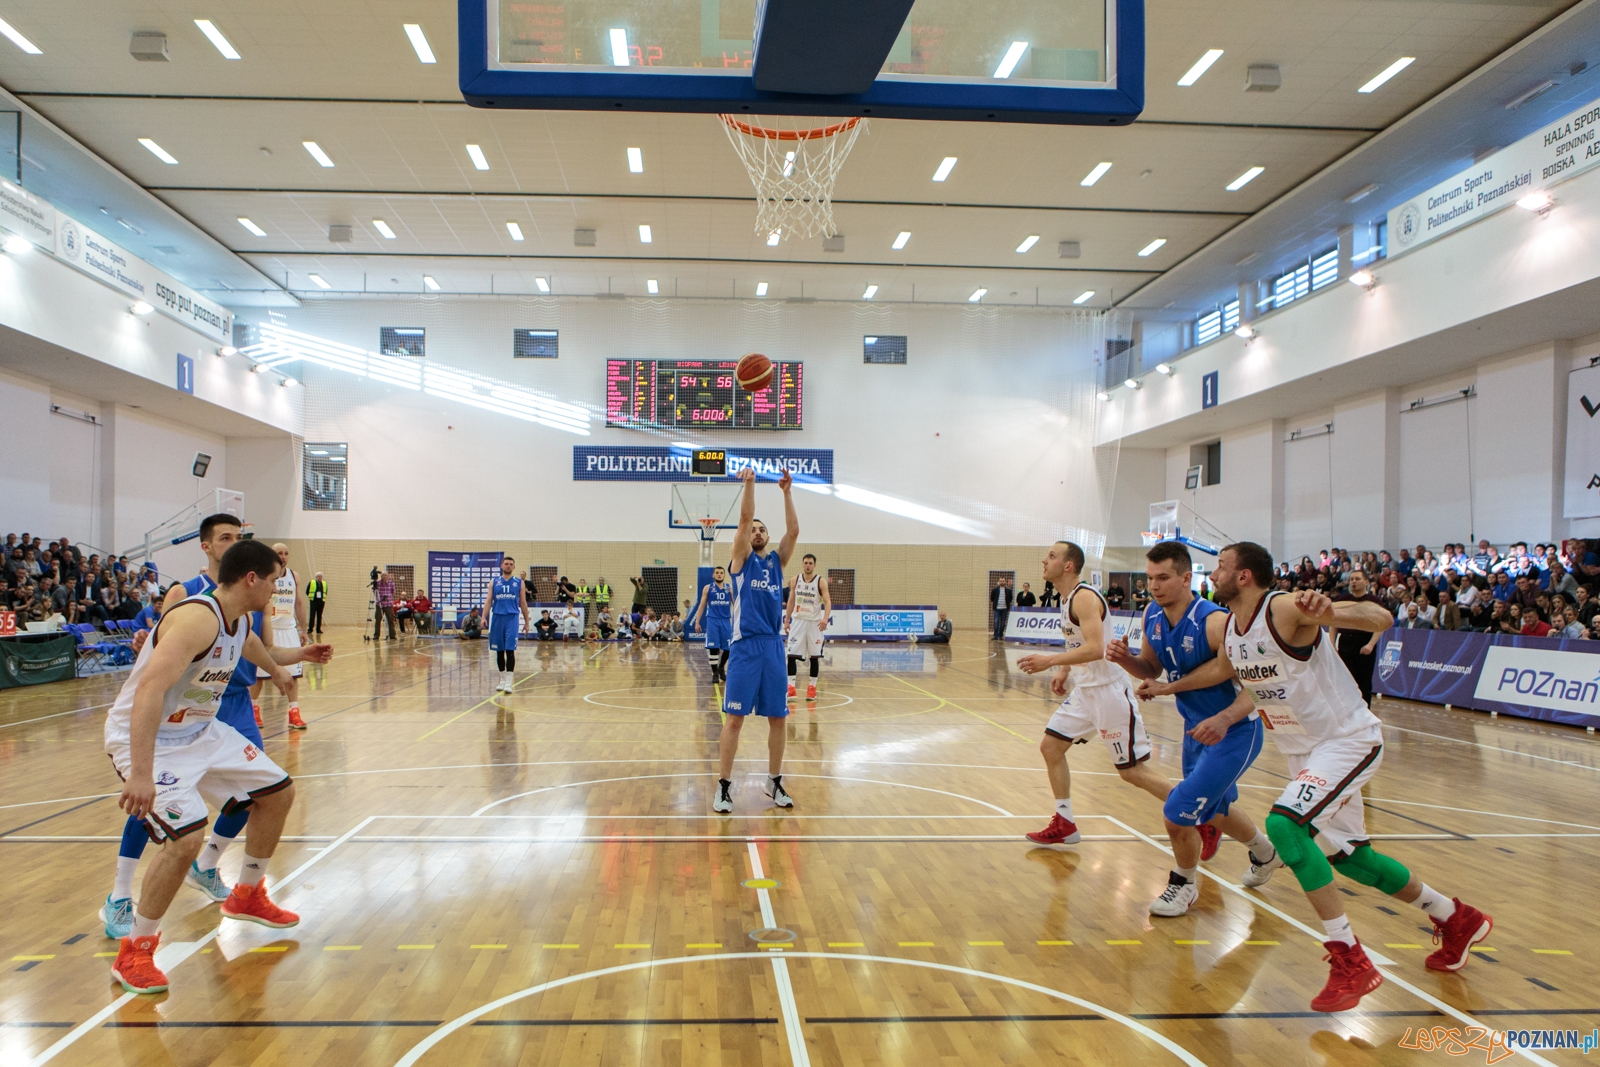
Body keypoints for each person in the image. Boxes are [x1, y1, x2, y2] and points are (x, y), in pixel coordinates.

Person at [1183, 541, 1492, 1013]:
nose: (1214, 572)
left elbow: (1379, 618)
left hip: (1346, 739)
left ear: (1243, 576)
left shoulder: (1284, 607)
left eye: (1221, 566)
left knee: (1285, 825)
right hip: (1303, 751)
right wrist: (1183, 695)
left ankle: (1350, 958)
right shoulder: (1232, 628)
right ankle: (1455, 916)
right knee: (1351, 859)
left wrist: (1330, 610)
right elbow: (1243, 677)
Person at [103, 539, 332, 994]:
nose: (276, 589)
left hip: (200, 731)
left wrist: (293, 662)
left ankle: (247, 893)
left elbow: (258, 652)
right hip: (152, 739)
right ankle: (135, 951)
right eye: (273, 581)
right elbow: (148, 691)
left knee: (278, 792)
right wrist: (142, 773)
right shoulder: (197, 618)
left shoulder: (237, 618)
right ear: (251, 579)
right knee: (186, 840)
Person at [1106, 540, 1282, 916]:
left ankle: (1184, 884)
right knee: (1215, 811)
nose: (1153, 586)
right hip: (1195, 731)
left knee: (1178, 810)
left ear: (1187, 578)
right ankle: (1266, 854)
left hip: (1235, 731)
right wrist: (1126, 661)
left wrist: (1171, 689)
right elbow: (1152, 668)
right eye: (1150, 578)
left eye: (1163, 578)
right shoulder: (1152, 615)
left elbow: (1250, 682)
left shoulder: (1215, 622)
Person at [1019, 541, 1170, 847]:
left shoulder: (1085, 597)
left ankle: (1203, 815)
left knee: (1132, 772)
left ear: (1068, 566)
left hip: (1109, 692)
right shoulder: (1066, 599)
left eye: (1051, 556)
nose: (1044, 560)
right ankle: (1064, 822)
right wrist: (1065, 670)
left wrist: (1050, 661)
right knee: (1051, 748)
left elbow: (1096, 648)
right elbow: (1077, 642)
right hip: (1086, 691)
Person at [715, 467, 799, 814]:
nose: (758, 532)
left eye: (763, 530)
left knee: (778, 718)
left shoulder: (778, 562)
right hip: (745, 647)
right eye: (754, 530)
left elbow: (793, 531)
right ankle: (723, 786)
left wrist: (787, 492)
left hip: (774, 646)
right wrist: (750, 483)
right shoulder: (741, 560)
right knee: (734, 720)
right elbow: (745, 517)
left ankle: (774, 781)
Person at [267, 544, 310, 731]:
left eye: (286, 553)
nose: (283, 556)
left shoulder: (294, 576)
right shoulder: (263, 574)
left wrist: (304, 629)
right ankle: (254, 711)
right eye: (279, 553)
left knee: (293, 675)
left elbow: (298, 603)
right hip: (269, 628)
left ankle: (294, 713)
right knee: (258, 677)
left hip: (288, 629)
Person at [1331, 570, 1385, 707]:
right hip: (1346, 642)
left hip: (1364, 641)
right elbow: (1333, 623)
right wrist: (1332, 644)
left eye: (1357, 579)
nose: (1353, 581)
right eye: (1351, 579)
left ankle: (1365, 712)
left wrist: (1371, 644)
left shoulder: (1374, 601)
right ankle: (1347, 712)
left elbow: (1381, 625)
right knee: (1346, 681)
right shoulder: (1342, 600)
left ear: (1366, 582)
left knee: (1364, 682)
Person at [785, 553, 831, 700]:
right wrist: (786, 620)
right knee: (791, 655)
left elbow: (827, 601)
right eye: (806, 563)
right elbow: (791, 601)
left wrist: (825, 618)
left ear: (814, 565)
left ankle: (812, 688)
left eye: (810, 563)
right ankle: (791, 688)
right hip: (798, 621)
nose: (808, 565)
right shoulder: (795, 580)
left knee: (814, 656)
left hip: (814, 623)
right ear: (802, 564)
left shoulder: (820, 581)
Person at [482, 557, 530, 693]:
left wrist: (527, 622)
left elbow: (523, 603)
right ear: (501, 565)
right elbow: (488, 601)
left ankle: (509, 682)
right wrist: (483, 617)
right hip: (497, 617)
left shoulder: (519, 582)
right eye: (506, 564)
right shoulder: (494, 582)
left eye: (511, 564)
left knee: (510, 650)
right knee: (499, 650)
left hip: (511, 618)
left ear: (514, 567)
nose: (508, 566)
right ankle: (502, 680)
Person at [692, 565, 734, 682]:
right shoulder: (708, 588)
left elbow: (736, 604)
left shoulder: (729, 588)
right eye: (717, 573)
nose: (719, 574)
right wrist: (697, 622)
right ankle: (715, 673)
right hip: (712, 620)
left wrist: (740, 620)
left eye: (721, 573)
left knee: (728, 648)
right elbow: (702, 605)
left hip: (726, 620)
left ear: (724, 575)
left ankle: (721, 667)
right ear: (713, 575)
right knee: (713, 647)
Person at [373, 569, 397, 640]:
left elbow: (393, 592)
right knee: (378, 620)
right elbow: (374, 591)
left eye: (385, 575)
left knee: (390, 620)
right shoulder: (377, 583)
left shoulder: (391, 583)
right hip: (379, 604)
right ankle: (376, 635)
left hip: (388, 604)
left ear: (387, 576)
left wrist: (388, 597)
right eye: (383, 575)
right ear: (381, 576)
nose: (384, 576)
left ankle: (392, 636)